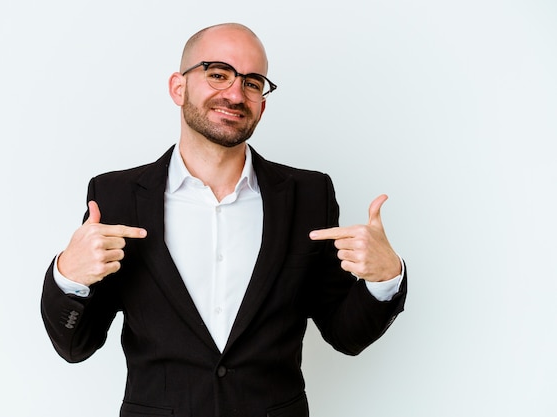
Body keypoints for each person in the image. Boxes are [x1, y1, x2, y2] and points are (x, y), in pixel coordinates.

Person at [41, 22, 407, 417]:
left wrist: (386, 280)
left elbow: (345, 334)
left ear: (262, 104)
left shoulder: (309, 196)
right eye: (218, 73)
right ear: (178, 88)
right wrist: (69, 277)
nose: (235, 93)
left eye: (252, 82)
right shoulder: (115, 197)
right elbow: (75, 345)